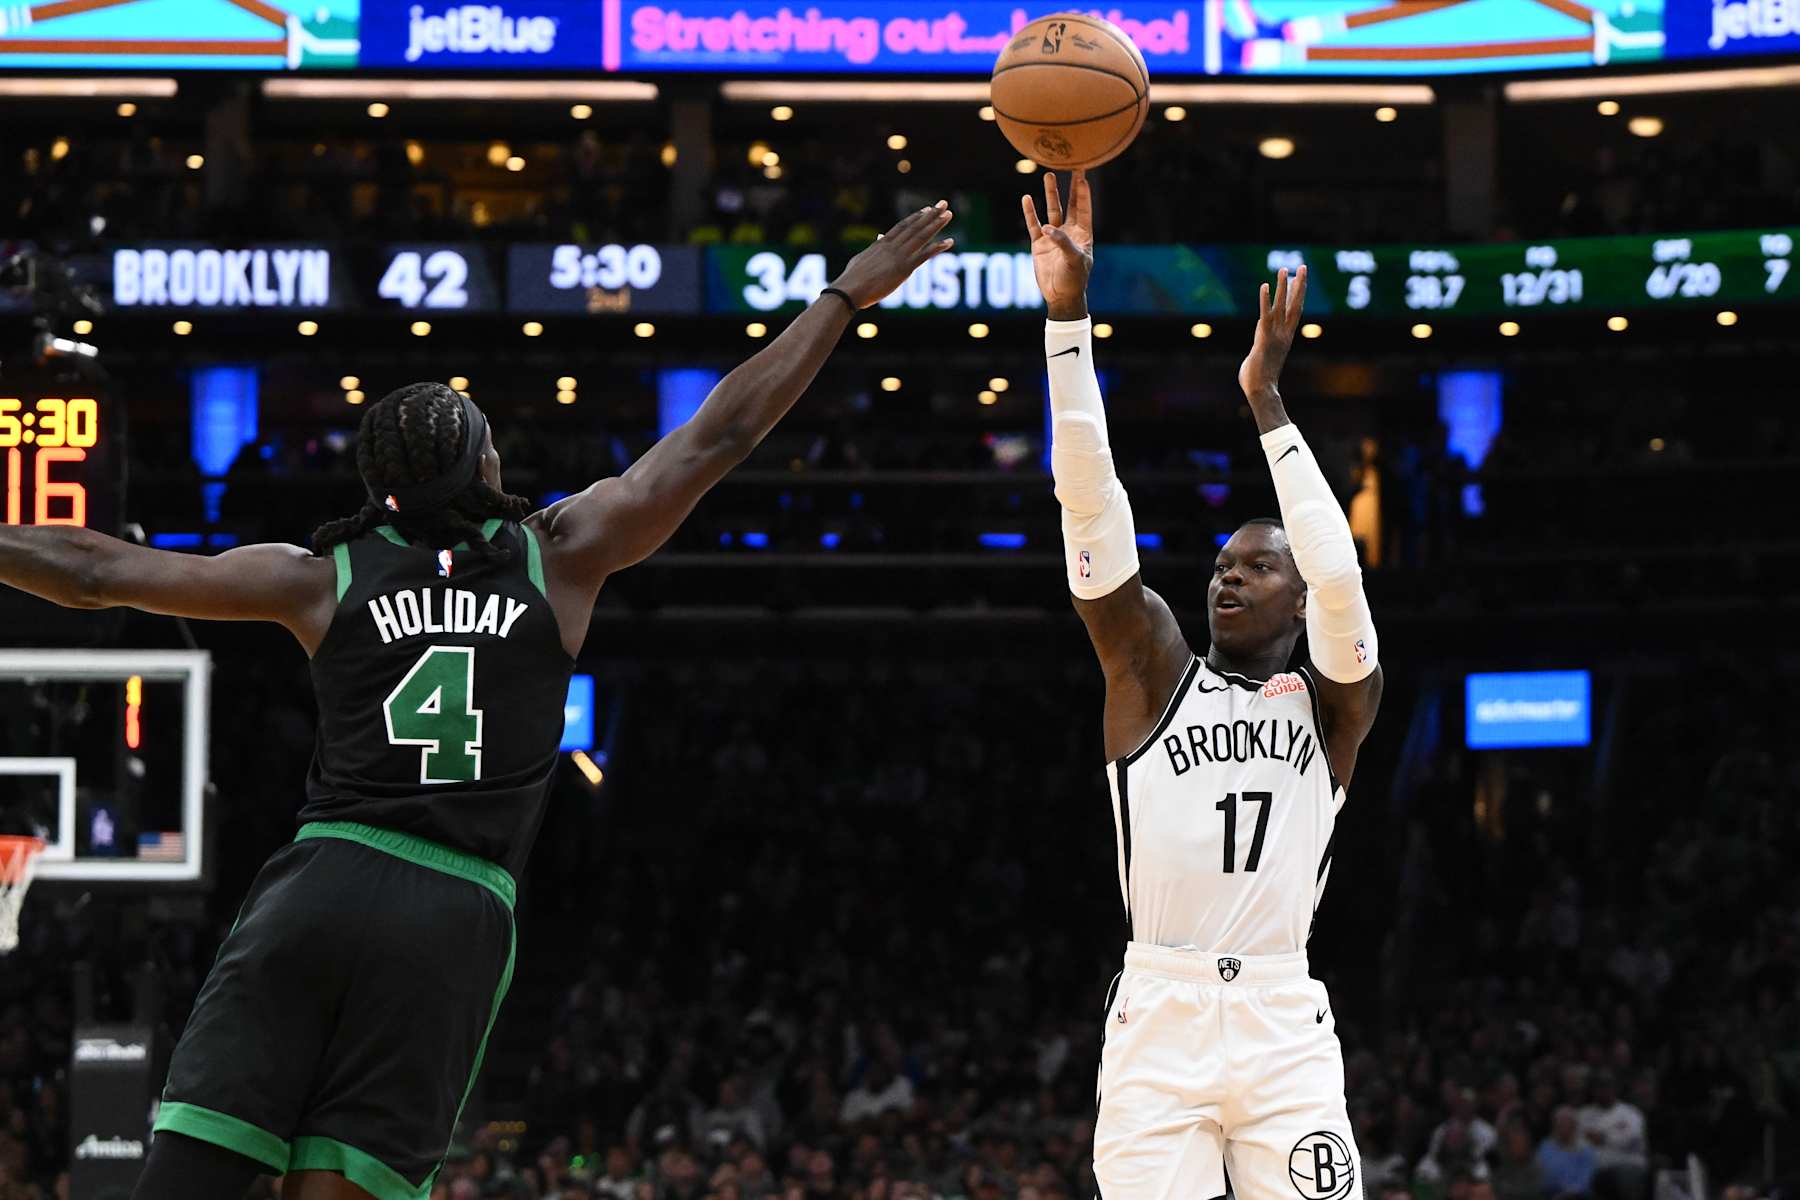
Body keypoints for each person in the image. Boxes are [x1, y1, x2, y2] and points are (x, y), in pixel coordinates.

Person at [0, 202, 956, 1200]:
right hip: (454, 914)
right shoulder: (562, 554)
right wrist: (843, 297)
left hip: (323, 881)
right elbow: (723, 433)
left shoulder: (319, 575)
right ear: (482, 467)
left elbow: (95, 571)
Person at [1024, 170, 1382, 1200]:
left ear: (1298, 601)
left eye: (1257, 566)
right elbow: (1090, 507)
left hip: (1281, 1020)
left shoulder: (1332, 708)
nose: (1228, 575)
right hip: (1162, 1012)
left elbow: (1341, 576)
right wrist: (1066, 321)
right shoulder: (1152, 675)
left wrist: (1268, 403)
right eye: (1222, 563)